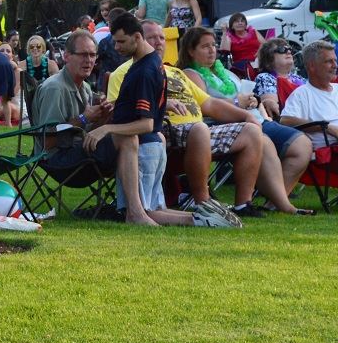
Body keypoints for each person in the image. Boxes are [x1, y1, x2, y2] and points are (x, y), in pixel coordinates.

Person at [107, 19, 280, 220]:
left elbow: (210, 104)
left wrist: (247, 116)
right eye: (152, 37)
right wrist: (162, 106)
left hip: (197, 129)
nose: (159, 42)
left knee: (250, 131)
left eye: (162, 37)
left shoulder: (175, 72)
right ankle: (202, 203)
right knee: (200, 129)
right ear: (138, 38)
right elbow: (118, 109)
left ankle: (243, 205)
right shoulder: (128, 71)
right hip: (165, 129)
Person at [84, 15, 198, 227]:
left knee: (142, 213)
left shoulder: (144, 71)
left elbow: (146, 123)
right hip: (153, 143)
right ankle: (200, 219)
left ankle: (201, 220)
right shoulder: (149, 61)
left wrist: (107, 128)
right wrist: (117, 105)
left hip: (143, 146)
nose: (116, 47)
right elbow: (139, 105)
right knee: (155, 210)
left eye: (121, 42)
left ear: (137, 37)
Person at [182, 26, 313, 202]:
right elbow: (206, 105)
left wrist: (254, 101)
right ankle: (282, 203)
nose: (212, 50)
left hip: (255, 118)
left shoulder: (225, 72)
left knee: (302, 144)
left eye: (213, 45)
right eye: (205, 46)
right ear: (191, 50)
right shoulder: (191, 74)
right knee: (264, 142)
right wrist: (238, 103)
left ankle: (275, 199)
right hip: (226, 124)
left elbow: (246, 94)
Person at [30, 29, 121, 200]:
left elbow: (88, 133)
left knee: (133, 136)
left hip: (77, 154)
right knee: (123, 139)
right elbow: (47, 141)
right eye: (83, 54)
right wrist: (84, 118)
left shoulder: (84, 87)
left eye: (93, 55)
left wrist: (103, 117)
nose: (89, 61)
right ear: (66, 56)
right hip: (57, 160)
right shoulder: (55, 88)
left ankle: (128, 205)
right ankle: (129, 207)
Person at [280, 41, 338, 147]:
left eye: (335, 60)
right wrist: (326, 127)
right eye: (329, 61)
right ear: (312, 66)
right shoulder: (301, 94)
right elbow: (285, 120)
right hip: (329, 152)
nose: (335, 65)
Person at [220, 12, 262, 79]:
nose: (240, 23)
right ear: (232, 26)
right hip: (241, 67)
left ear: (245, 25)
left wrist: (260, 51)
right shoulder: (229, 36)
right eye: (236, 21)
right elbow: (224, 50)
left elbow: (265, 44)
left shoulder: (253, 32)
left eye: (242, 21)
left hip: (258, 62)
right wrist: (224, 32)